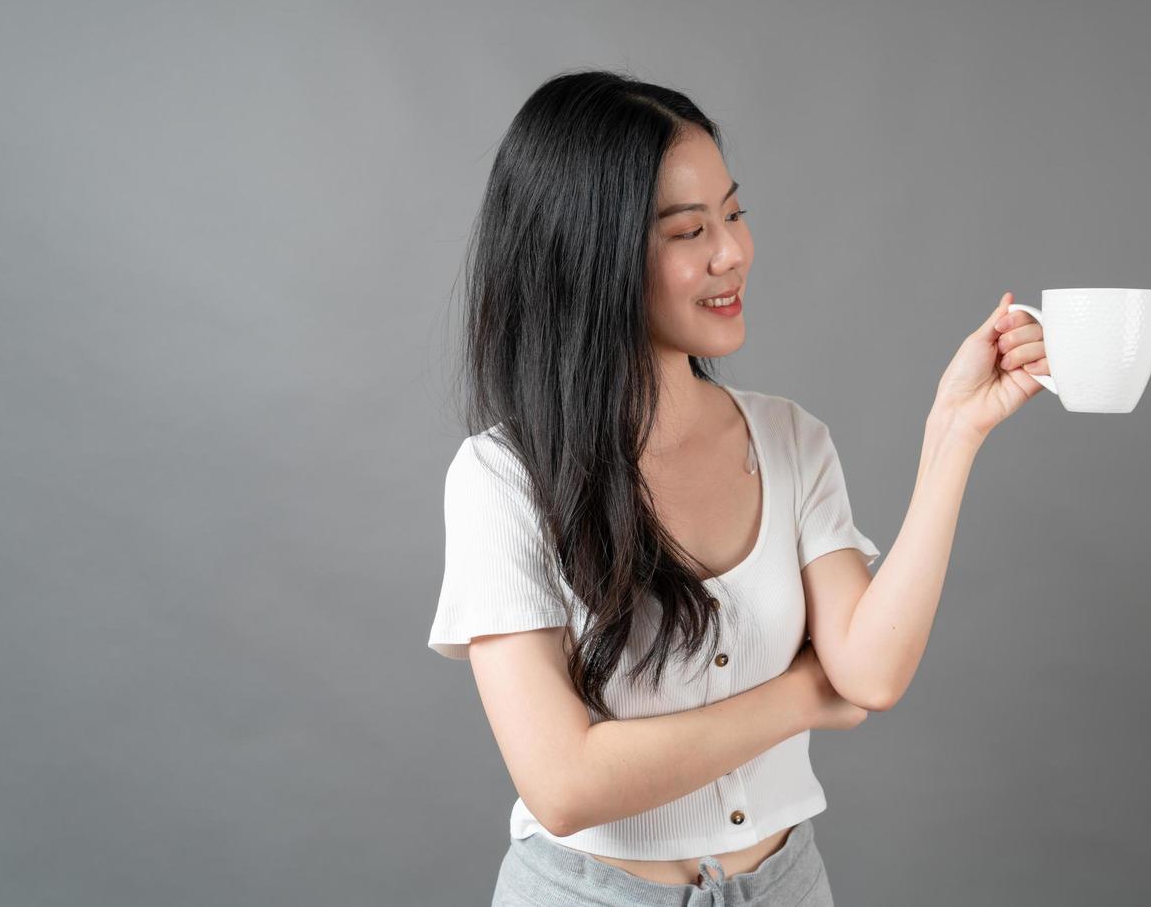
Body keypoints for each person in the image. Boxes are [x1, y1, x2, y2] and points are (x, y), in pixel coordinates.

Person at [427, 69, 1051, 906]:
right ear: (590, 254)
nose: (734, 252)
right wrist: (798, 695)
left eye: (733, 212)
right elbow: (564, 783)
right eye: (689, 231)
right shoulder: (502, 478)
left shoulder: (789, 439)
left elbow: (869, 673)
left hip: (788, 885)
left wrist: (954, 434)